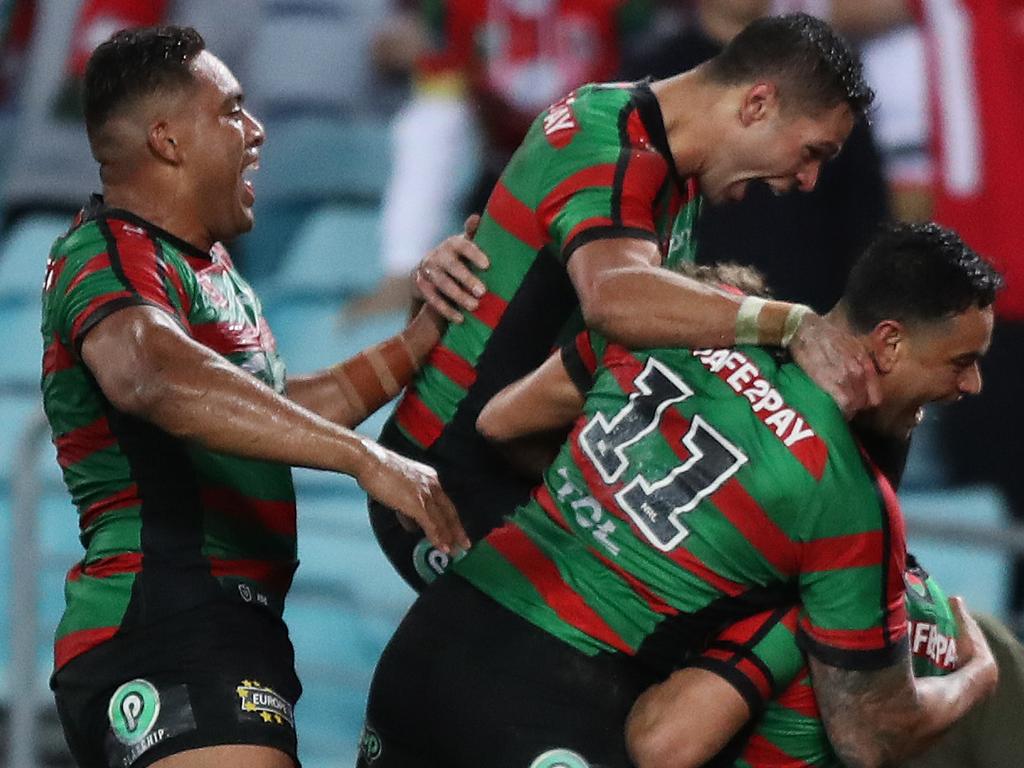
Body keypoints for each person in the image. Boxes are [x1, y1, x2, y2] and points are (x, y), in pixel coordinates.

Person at [357, 222, 1001, 767]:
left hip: (430, 645)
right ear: (888, 342)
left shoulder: (683, 313)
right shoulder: (848, 498)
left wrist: (604, 505)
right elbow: (868, 732)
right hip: (553, 710)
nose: (972, 385)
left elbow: (503, 423)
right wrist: (978, 677)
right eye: (960, 361)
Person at [41, 26, 467, 768]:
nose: (257, 130)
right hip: (160, 617)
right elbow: (147, 374)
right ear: (169, 140)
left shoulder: (210, 271)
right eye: (233, 110)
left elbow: (286, 405)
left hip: (230, 626)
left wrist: (424, 335)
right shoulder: (107, 252)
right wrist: (362, 459)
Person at [371, 13, 882, 590]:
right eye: (812, 151)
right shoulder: (606, 141)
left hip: (531, 471)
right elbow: (614, 300)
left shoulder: (671, 166)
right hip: (448, 483)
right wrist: (788, 323)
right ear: (757, 104)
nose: (809, 180)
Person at [619, 0, 890, 313]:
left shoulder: (827, 78)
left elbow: (866, 215)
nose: (806, 178)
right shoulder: (651, 78)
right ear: (754, 103)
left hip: (808, 314)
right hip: (686, 330)